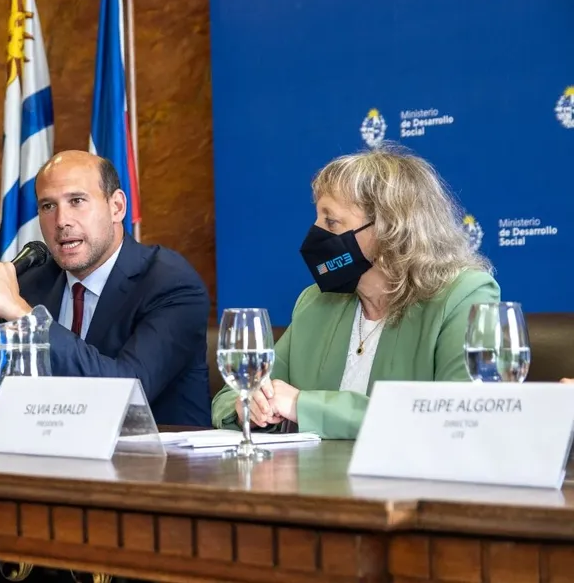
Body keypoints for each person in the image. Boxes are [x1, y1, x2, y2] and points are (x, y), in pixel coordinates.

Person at [0, 150, 212, 427]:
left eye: (77, 201)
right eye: (48, 206)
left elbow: (126, 392)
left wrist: (27, 318)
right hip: (54, 467)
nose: (62, 221)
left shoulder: (170, 282)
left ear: (117, 206)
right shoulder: (35, 280)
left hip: (159, 476)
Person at [212, 148, 500, 440]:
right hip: (316, 480)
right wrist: (250, 404)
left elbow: (459, 416)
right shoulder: (316, 302)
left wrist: (303, 405)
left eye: (331, 221)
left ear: (390, 229)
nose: (314, 233)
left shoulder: (463, 295)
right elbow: (235, 392)